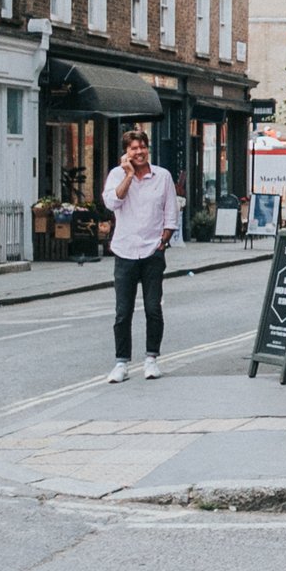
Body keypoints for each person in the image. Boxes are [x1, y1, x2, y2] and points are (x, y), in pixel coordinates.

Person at [102, 127, 181, 383]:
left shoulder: (163, 176)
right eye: (133, 148)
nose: (139, 152)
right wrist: (128, 175)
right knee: (123, 312)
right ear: (126, 153)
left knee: (152, 308)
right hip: (125, 251)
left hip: (152, 251)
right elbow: (112, 203)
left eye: (142, 147)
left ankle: (151, 359)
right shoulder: (116, 175)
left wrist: (164, 240)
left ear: (148, 148)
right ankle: (121, 363)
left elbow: (171, 212)